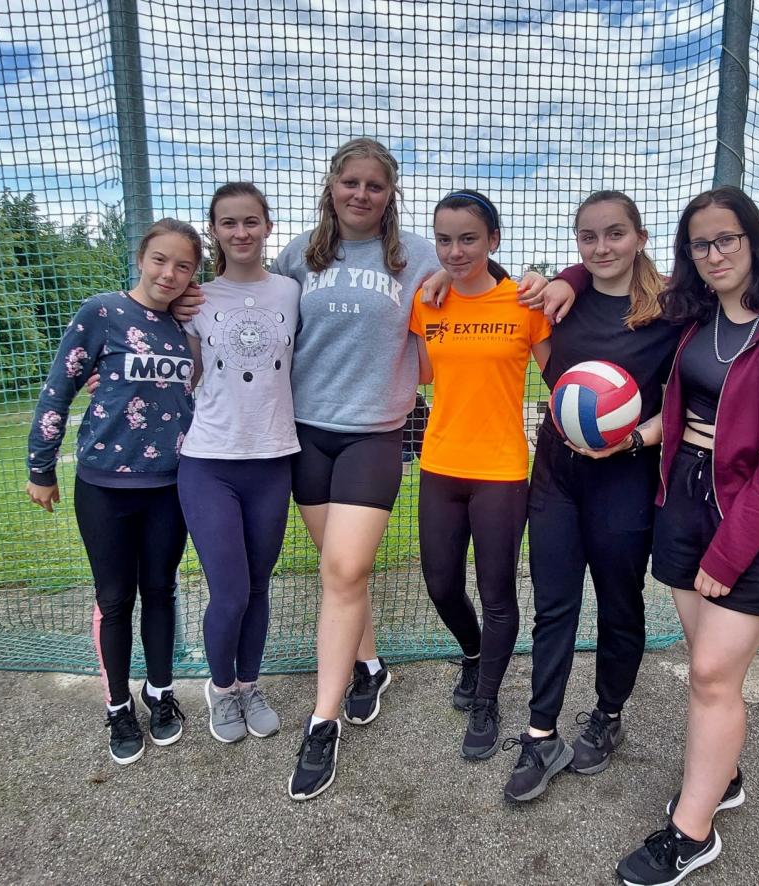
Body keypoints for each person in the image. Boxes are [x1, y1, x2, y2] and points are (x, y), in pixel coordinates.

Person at [174, 138, 440, 800]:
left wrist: (549, 281)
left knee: (344, 571)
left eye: (374, 185)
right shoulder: (299, 257)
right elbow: (246, 310)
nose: (361, 194)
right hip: (303, 437)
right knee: (340, 571)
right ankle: (369, 665)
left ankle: (322, 723)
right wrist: (179, 307)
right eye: (350, 182)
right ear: (331, 187)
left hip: (374, 435)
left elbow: (478, 283)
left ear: (391, 193)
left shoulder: (418, 257)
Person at [613, 186, 759, 885]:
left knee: (710, 673)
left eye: (725, 239)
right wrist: (633, 438)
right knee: (711, 668)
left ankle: (691, 833)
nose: (713, 254)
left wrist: (731, 552)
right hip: (685, 502)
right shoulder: (694, 319)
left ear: (752, 240)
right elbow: (685, 410)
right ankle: (723, 774)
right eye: (699, 244)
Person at [499, 191, 681, 803]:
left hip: (624, 476)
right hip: (556, 476)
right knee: (554, 604)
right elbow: (486, 281)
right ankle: (541, 732)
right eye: (588, 237)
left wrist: (632, 438)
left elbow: (685, 401)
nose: (601, 248)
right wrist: (563, 277)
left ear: (640, 237)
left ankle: (607, 714)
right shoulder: (561, 301)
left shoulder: (670, 311)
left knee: (619, 604)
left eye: (615, 234)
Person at [26, 219, 202, 765]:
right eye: (160, 259)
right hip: (104, 484)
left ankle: (160, 692)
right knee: (114, 597)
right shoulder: (102, 312)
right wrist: (41, 468)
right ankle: (118, 706)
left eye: (183, 266)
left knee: (161, 589)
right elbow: (59, 389)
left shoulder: (185, 326)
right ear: (141, 257)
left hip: (170, 484)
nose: (169, 273)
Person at [409, 190, 551, 761]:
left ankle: (487, 699)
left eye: (468, 239)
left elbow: (564, 381)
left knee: (497, 593)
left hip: (501, 471)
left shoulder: (524, 302)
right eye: (444, 240)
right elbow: (420, 372)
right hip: (440, 465)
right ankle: (473, 655)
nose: (455, 251)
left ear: (493, 239)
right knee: (441, 585)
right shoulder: (428, 302)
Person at [176, 183, 300, 745]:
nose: (241, 232)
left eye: (251, 221)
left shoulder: (291, 291)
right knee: (229, 591)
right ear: (214, 231)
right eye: (229, 223)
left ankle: (250, 684)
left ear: (268, 226)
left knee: (258, 586)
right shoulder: (195, 300)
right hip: (210, 462)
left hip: (273, 460)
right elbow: (178, 369)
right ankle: (221, 688)